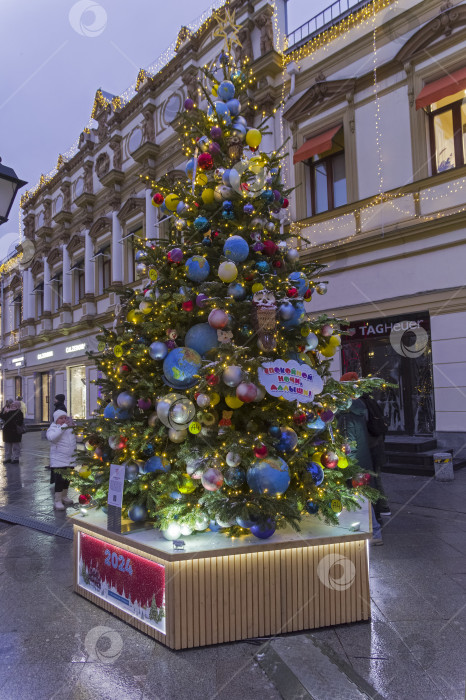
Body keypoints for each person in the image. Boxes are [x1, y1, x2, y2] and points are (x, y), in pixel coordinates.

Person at [339, 373, 383, 545]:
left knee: (358, 493)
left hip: (353, 458)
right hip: (364, 455)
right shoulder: (361, 404)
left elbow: (349, 438)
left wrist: (347, 458)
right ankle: (374, 530)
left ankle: (375, 532)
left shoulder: (346, 409)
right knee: (363, 493)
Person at [361, 392, 391, 517]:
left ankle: (382, 507)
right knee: (376, 476)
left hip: (371, 447)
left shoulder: (360, 405)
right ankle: (382, 506)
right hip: (378, 444)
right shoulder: (371, 400)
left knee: (374, 478)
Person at [46, 409, 76, 510]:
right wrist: (63, 427)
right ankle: (57, 500)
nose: (63, 420)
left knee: (67, 479)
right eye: (61, 418)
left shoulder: (68, 427)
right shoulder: (53, 428)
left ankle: (64, 496)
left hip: (70, 458)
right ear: (56, 420)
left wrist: (74, 428)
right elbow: (52, 437)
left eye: (65, 418)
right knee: (59, 480)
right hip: (58, 460)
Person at [0, 400, 24, 464]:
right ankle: (8, 458)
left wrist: (12, 421)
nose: (12, 405)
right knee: (7, 446)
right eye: (12, 404)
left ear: (18, 405)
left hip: (15, 431)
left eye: (14, 404)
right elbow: (3, 417)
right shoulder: (7, 411)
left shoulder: (19, 412)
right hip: (7, 432)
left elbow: (20, 422)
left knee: (16, 446)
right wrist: (3, 411)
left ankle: (16, 458)